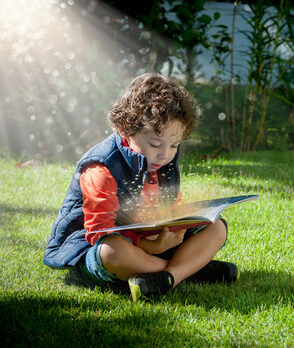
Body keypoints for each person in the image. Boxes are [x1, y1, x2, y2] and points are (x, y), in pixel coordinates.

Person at [43, 73, 238, 301]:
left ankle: (167, 276)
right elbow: (98, 231)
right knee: (111, 251)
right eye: (155, 144)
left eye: (174, 145)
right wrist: (150, 247)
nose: (164, 154)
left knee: (217, 227)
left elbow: (173, 205)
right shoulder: (102, 167)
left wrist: (181, 226)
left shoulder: (163, 161)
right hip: (92, 248)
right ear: (126, 128)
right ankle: (189, 270)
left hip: (154, 241)